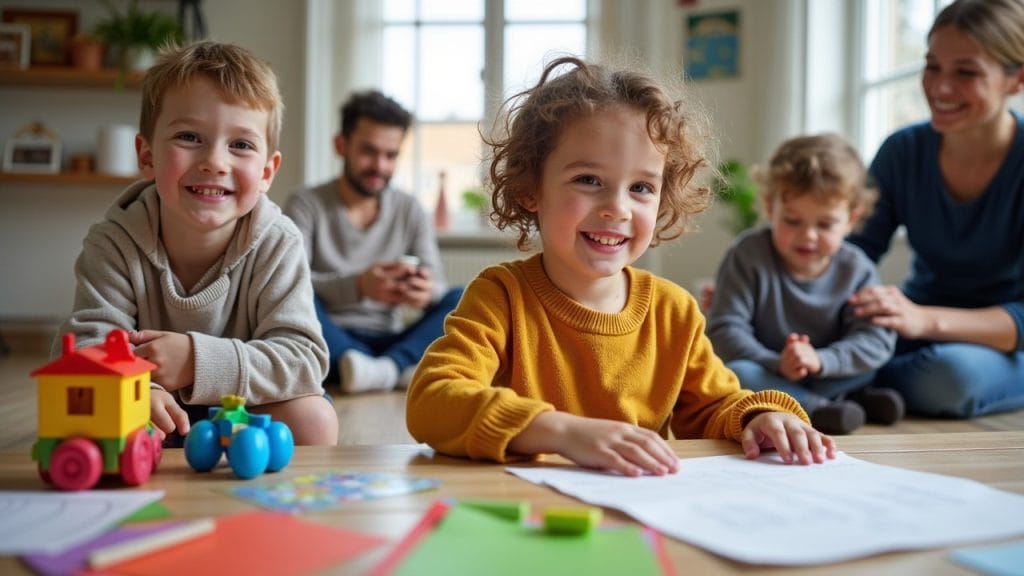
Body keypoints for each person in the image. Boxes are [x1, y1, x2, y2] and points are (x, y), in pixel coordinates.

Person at [406, 56, 836, 477]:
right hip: (526, 512)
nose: (617, 208)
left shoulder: (674, 311)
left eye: (642, 187)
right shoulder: (500, 296)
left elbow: (712, 406)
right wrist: (564, 432)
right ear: (529, 189)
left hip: (637, 512)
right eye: (589, 180)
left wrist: (758, 416)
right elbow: (432, 400)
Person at [54, 41, 338, 446]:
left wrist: (196, 362)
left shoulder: (278, 241)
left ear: (267, 173)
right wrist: (139, 392)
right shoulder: (113, 241)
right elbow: (87, 343)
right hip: (153, 405)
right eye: (189, 137)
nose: (215, 162)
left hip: (244, 403)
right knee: (92, 419)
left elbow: (303, 360)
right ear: (147, 155)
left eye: (240, 145)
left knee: (315, 421)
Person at [847, 0, 1024, 418]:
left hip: (1004, 343)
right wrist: (774, 285)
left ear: (1016, 78)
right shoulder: (902, 151)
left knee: (949, 377)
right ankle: (852, 381)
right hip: (917, 325)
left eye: (966, 72)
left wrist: (926, 321)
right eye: (932, 66)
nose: (940, 88)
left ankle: (848, 384)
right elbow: (854, 253)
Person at [706, 134, 901, 435]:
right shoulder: (747, 256)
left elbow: (874, 339)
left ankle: (847, 396)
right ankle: (819, 409)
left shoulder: (857, 268)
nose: (808, 236)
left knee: (873, 363)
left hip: (829, 370)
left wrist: (821, 361)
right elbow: (724, 330)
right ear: (771, 208)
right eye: (793, 221)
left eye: (825, 225)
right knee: (740, 373)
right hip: (769, 370)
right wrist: (776, 363)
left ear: (851, 220)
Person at [285, 91, 463, 394]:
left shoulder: (410, 209)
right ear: (341, 145)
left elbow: (438, 289)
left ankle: (386, 367)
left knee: (462, 299)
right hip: (329, 335)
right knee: (293, 294)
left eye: (391, 155)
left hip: (389, 338)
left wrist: (423, 292)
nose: (380, 166)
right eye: (369, 151)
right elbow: (287, 284)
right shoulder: (306, 204)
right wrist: (358, 287)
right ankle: (393, 367)